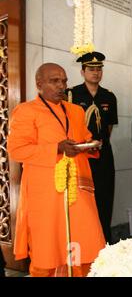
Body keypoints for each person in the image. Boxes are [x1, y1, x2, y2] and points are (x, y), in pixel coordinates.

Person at [7, 63, 105, 277]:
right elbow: (16, 150)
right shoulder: (25, 111)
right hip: (45, 192)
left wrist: (90, 146)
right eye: (55, 81)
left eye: (64, 81)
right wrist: (56, 148)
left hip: (78, 189)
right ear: (39, 84)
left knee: (84, 237)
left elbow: (84, 138)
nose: (62, 86)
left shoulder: (76, 111)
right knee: (49, 243)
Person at [66, 52, 118, 244]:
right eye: (91, 69)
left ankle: (104, 241)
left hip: (103, 155)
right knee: (83, 200)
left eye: (99, 69)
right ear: (82, 71)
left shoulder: (109, 97)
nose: (95, 73)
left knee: (105, 197)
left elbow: (109, 127)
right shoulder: (71, 94)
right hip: (81, 156)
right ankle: (85, 241)